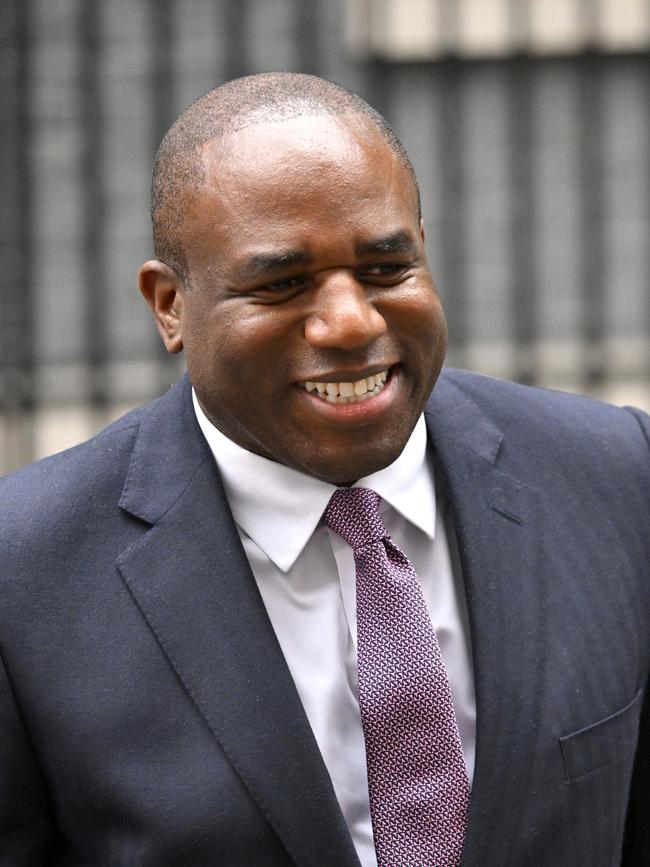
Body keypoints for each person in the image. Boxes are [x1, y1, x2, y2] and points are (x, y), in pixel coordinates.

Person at [0, 72, 648, 867]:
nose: (350, 321)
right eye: (280, 283)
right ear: (170, 304)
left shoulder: (617, 477)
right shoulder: (23, 573)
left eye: (385, 269)